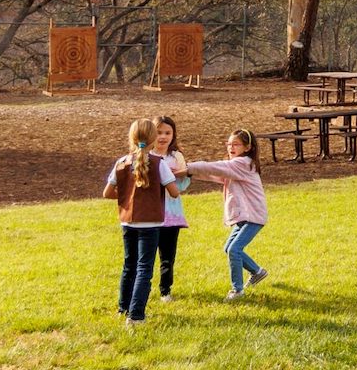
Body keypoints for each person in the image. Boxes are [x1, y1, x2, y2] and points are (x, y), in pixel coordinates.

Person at [102, 118, 180, 327]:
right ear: (154, 139)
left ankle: (123, 307)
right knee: (144, 268)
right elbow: (174, 192)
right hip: (151, 223)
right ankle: (136, 315)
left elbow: (107, 193)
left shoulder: (121, 162)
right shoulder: (158, 164)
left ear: (132, 138)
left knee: (129, 266)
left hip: (128, 222)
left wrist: (127, 196)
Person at [179, 129, 270, 301]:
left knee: (235, 250)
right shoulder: (236, 166)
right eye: (229, 144)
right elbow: (214, 173)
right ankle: (257, 271)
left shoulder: (243, 163)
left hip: (253, 217)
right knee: (229, 248)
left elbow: (213, 167)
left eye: (236, 144)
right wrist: (190, 173)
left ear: (248, 147)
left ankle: (237, 291)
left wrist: (188, 168)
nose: (231, 147)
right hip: (245, 216)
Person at [152, 115, 191, 302]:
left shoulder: (176, 157)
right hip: (150, 214)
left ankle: (165, 291)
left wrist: (174, 179)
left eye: (167, 133)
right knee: (147, 255)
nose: (163, 137)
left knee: (168, 256)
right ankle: (141, 287)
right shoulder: (146, 156)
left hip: (172, 214)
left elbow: (183, 185)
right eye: (159, 132)